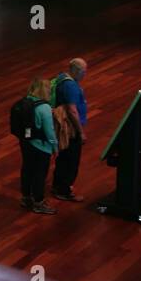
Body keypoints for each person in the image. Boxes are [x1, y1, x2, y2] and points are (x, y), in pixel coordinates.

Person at [19, 76, 59, 215]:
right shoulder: (44, 107)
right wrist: (55, 147)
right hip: (41, 147)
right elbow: (49, 131)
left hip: (25, 143)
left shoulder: (26, 101)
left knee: (27, 170)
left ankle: (26, 198)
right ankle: (39, 202)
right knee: (39, 174)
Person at [51, 58, 89, 203]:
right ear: (76, 71)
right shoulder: (71, 86)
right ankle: (64, 190)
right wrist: (81, 132)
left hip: (65, 127)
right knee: (70, 160)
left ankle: (58, 186)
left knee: (63, 157)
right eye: (84, 71)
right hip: (71, 128)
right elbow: (72, 111)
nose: (85, 74)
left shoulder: (62, 77)